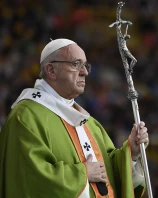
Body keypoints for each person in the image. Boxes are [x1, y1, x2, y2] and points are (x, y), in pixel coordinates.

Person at [0, 38, 149, 198]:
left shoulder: (89, 122)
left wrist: (131, 154)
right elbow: (29, 178)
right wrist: (83, 173)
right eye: (75, 64)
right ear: (51, 70)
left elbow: (108, 172)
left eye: (85, 65)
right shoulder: (26, 117)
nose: (84, 72)